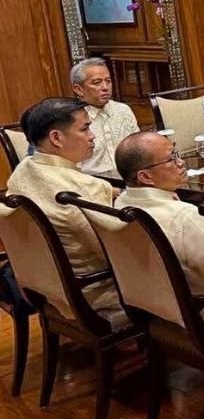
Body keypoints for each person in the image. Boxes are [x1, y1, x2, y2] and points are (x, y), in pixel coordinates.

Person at [114, 131, 204, 325]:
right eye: (171, 159)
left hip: (161, 308)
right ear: (145, 176)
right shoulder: (184, 217)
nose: (181, 162)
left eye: (177, 154)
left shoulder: (122, 203)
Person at [5, 97, 119, 314]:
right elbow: (115, 253)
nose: (92, 135)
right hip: (96, 295)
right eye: (85, 129)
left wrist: (115, 191)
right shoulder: (83, 190)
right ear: (56, 138)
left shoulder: (23, 170)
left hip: (45, 289)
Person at [71, 57, 140, 176]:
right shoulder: (72, 119)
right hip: (92, 182)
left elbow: (137, 149)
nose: (105, 87)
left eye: (108, 81)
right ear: (79, 89)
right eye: (97, 83)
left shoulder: (123, 110)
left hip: (129, 179)